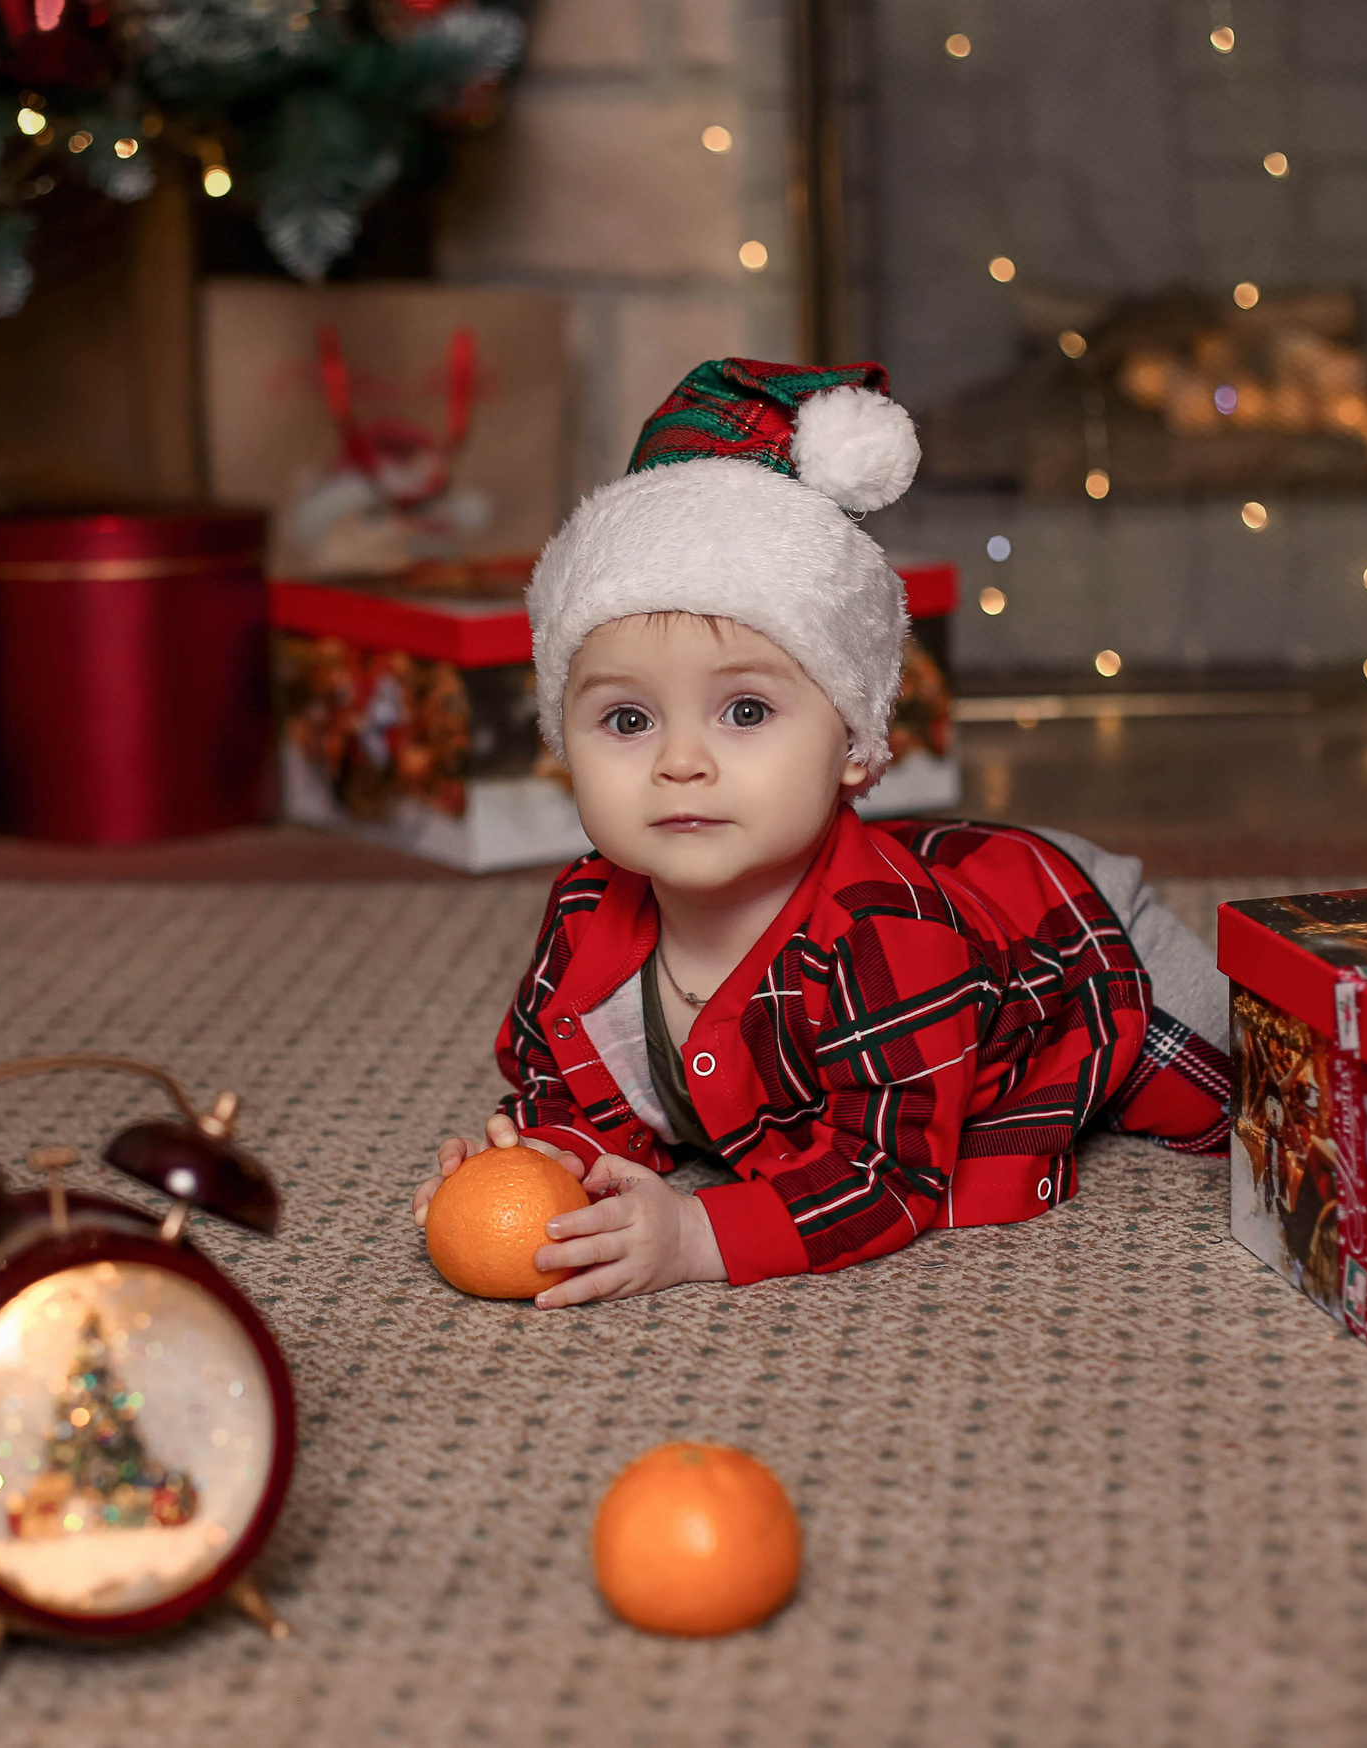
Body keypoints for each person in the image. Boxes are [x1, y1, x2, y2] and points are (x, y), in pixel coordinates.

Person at [410, 359, 1230, 1305]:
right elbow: (577, 1089)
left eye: (745, 712)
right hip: (945, 878)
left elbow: (888, 1177)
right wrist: (543, 1166)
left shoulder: (886, 942)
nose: (681, 761)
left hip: (1073, 935)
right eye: (628, 721)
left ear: (854, 747)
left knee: (1260, 1104)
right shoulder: (589, 910)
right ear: (564, 748)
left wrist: (696, 1233)